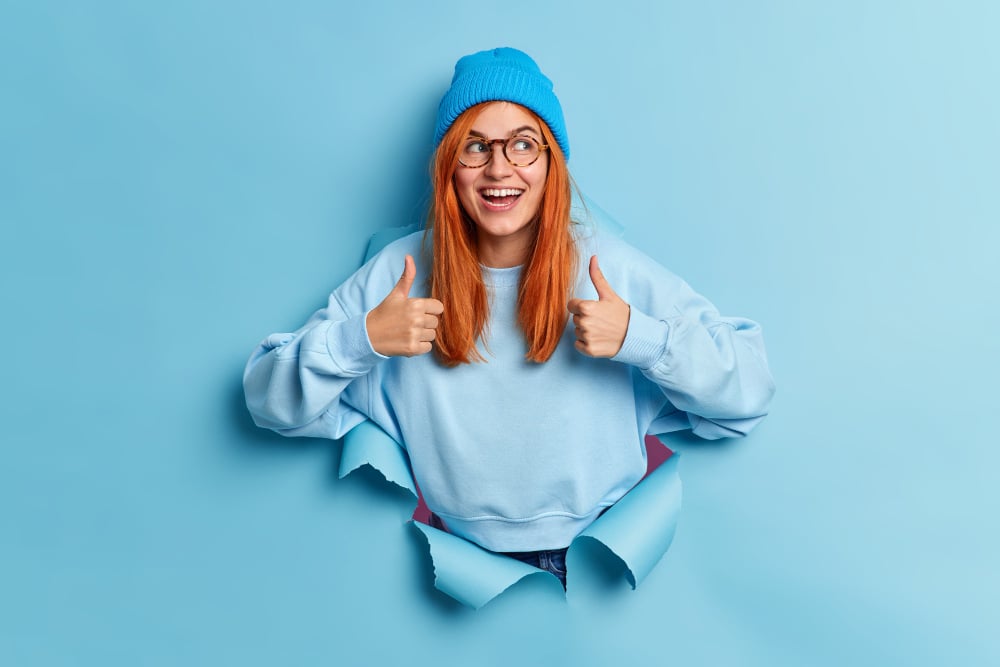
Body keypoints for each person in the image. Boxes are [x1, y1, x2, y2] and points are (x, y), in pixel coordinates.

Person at [243, 47, 775, 589]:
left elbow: (750, 392)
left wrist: (645, 340)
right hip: (451, 569)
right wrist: (362, 340)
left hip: (606, 561)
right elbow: (268, 403)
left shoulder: (605, 267)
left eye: (523, 144)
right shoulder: (400, 271)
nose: (500, 169)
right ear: (450, 164)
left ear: (551, 162)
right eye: (476, 147)